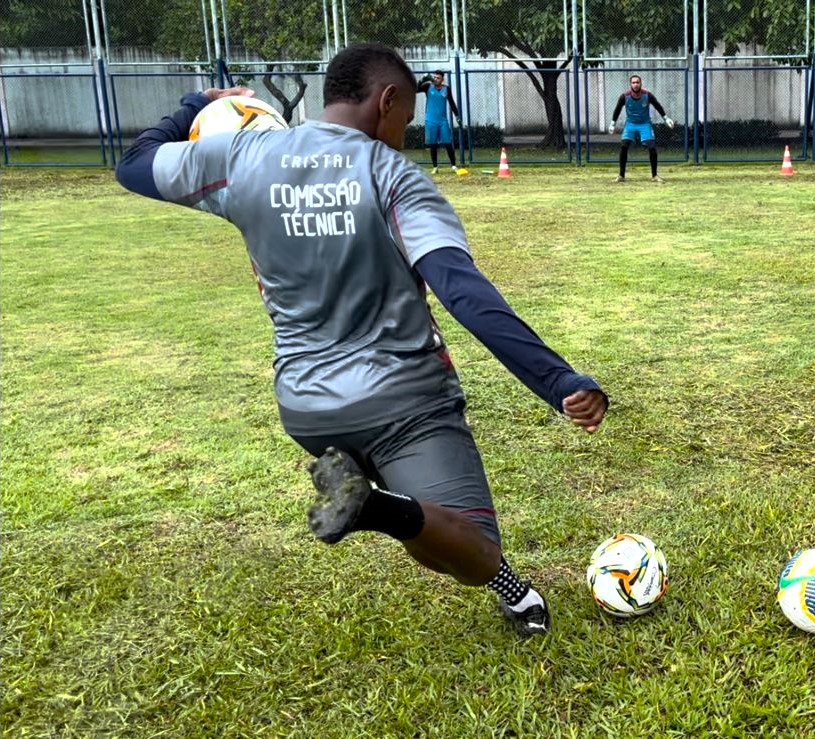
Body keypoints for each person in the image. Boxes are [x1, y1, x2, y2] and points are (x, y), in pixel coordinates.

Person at [114, 43, 609, 637]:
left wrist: (197, 103)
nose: (408, 129)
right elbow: (464, 293)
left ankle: (461, 556)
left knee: (424, 524)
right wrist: (559, 381)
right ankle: (373, 506)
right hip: (402, 402)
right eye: (407, 115)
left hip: (305, 407)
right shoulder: (392, 175)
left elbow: (136, 163)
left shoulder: (245, 155)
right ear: (388, 100)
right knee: (471, 543)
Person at [608, 74, 674, 183]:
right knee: (624, 146)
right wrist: (612, 123)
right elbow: (617, 109)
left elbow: (657, 105)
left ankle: (654, 175)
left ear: (640, 83)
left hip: (644, 124)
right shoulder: (624, 96)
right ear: (630, 84)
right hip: (631, 124)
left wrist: (666, 118)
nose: (635, 84)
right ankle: (621, 176)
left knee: (652, 148)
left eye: (637, 82)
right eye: (633, 83)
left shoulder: (647, 95)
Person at [417, 69, 462, 174]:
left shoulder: (446, 89)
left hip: (442, 121)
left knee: (447, 143)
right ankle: (435, 167)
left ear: (442, 79)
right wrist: (422, 80)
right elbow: (415, 89)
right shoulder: (428, 86)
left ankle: (454, 166)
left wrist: (457, 116)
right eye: (435, 77)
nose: (436, 79)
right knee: (433, 144)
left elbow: (452, 103)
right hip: (430, 120)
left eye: (438, 78)